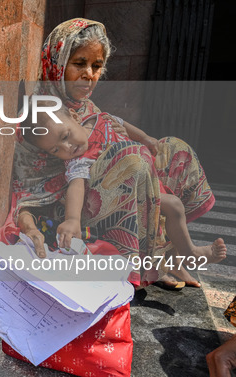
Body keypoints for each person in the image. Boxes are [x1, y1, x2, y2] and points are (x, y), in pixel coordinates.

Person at [1, 18, 216, 287]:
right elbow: (27, 194)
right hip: (71, 207)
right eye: (79, 63)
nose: (89, 74)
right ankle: (140, 269)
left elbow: (113, 127)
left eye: (96, 66)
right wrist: (32, 229)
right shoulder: (38, 119)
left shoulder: (86, 108)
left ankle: (166, 256)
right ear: (57, 62)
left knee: (174, 150)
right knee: (133, 160)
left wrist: (143, 142)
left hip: (112, 186)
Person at [24, 105, 227, 268]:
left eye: (66, 136)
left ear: (75, 117)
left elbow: (124, 124)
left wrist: (146, 138)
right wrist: (72, 219)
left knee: (174, 148)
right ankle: (189, 252)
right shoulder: (79, 160)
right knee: (174, 206)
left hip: (149, 179)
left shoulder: (101, 119)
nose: (68, 147)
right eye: (56, 149)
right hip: (127, 200)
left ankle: (172, 253)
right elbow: (76, 186)